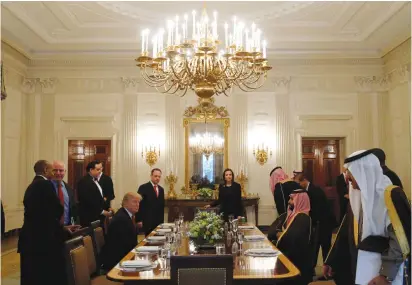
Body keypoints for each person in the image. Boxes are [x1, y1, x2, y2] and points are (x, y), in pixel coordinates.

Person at [323, 149, 410, 285]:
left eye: (350, 173)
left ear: (363, 172)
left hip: (386, 273)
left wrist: (385, 275)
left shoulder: (390, 196)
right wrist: (332, 261)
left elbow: (400, 240)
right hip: (361, 269)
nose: (347, 178)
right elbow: (346, 233)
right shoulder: (356, 198)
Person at [18, 160, 79, 285]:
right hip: (42, 240)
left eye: (60, 170)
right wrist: (61, 226)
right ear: (46, 170)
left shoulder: (33, 185)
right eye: (53, 170)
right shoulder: (44, 185)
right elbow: (55, 210)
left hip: (33, 239)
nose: (55, 173)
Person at [294, 171, 335, 268]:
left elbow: (317, 210)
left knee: (325, 247)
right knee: (314, 246)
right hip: (318, 222)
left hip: (324, 222)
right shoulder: (308, 190)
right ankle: (312, 269)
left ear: (304, 180)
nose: (298, 186)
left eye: (299, 183)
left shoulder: (314, 191)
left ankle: (327, 270)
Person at [274, 189, 312, 285]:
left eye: (291, 199)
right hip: (291, 255)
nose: (289, 202)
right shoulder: (294, 215)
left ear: (300, 201)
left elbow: (291, 237)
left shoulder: (302, 218)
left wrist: (280, 235)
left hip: (296, 261)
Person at [101, 192, 141, 271]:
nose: (137, 205)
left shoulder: (126, 214)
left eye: (138, 202)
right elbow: (126, 245)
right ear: (125, 203)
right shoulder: (122, 219)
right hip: (117, 263)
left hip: (123, 257)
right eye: (134, 202)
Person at [77, 160, 112, 227]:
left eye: (101, 169)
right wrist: (102, 211)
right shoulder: (84, 182)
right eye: (98, 169)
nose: (100, 171)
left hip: (98, 217)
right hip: (89, 218)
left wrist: (108, 207)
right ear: (91, 170)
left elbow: (99, 198)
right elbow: (88, 201)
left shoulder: (94, 180)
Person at [136, 168, 165, 236]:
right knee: (148, 242)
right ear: (151, 176)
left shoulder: (161, 189)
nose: (157, 178)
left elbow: (161, 206)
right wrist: (138, 219)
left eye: (159, 176)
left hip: (158, 222)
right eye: (155, 176)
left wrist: (162, 222)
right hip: (147, 221)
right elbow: (138, 204)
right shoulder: (143, 187)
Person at [52, 160, 78, 225]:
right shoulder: (46, 187)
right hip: (51, 229)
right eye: (55, 170)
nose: (58, 173)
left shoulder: (69, 188)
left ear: (65, 172)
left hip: (68, 227)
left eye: (61, 170)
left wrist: (73, 223)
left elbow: (72, 207)